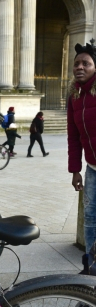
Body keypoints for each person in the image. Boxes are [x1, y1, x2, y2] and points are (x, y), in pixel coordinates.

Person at [67, 42, 96, 275]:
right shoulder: (74, 95)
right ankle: (90, 264)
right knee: (90, 217)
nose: (80, 66)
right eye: (77, 63)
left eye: (86, 63)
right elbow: (73, 136)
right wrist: (75, 170)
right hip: (92, 168)